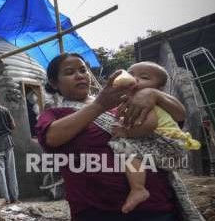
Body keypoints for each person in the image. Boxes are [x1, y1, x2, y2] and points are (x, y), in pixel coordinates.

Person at [36, 53, 186, 221]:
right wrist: (99, 105)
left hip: (156, 206)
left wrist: (155, 94)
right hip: (98, 211)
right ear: (54, 83)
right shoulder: (54, 114)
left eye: (83, 70)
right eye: (70, 72)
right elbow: (51, 138)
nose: (79, 75)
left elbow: (177, 119)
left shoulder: (124, 101)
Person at [109, 62, 201, 213]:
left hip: (167, 141)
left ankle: (138, 189)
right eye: (131, 74)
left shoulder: (143, 100)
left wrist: (126, 133)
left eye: (144, 77)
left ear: (158, 89)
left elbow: (149, 125)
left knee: (124, 147)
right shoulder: (130, 100)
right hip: (170, 142)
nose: (134, 79)